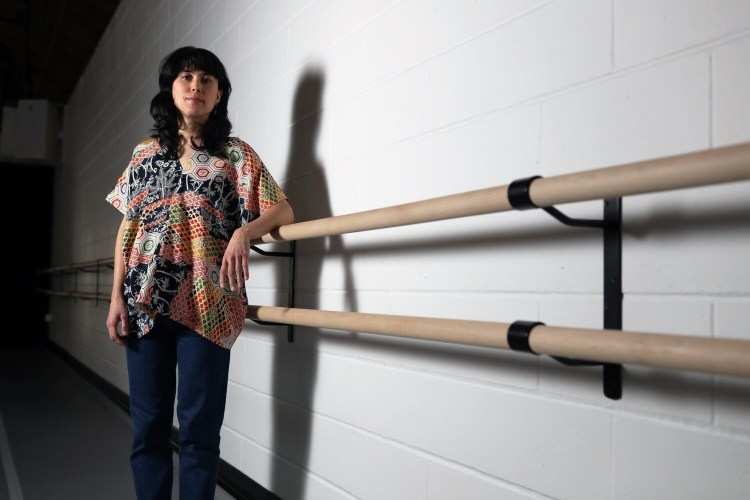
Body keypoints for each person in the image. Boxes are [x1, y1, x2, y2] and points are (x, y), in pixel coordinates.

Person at [105, 46, 294, 499]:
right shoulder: (144, 154)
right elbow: (126, 228)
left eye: (207, 80)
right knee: (148, 427)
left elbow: (282, 207)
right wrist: (115, 297)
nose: (196, 85)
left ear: (219, 94)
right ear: (171, 90)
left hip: (209, 306)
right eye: (186, 77)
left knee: (199, 431)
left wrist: (245, 232)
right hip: (144, 302)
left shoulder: (235, 154)